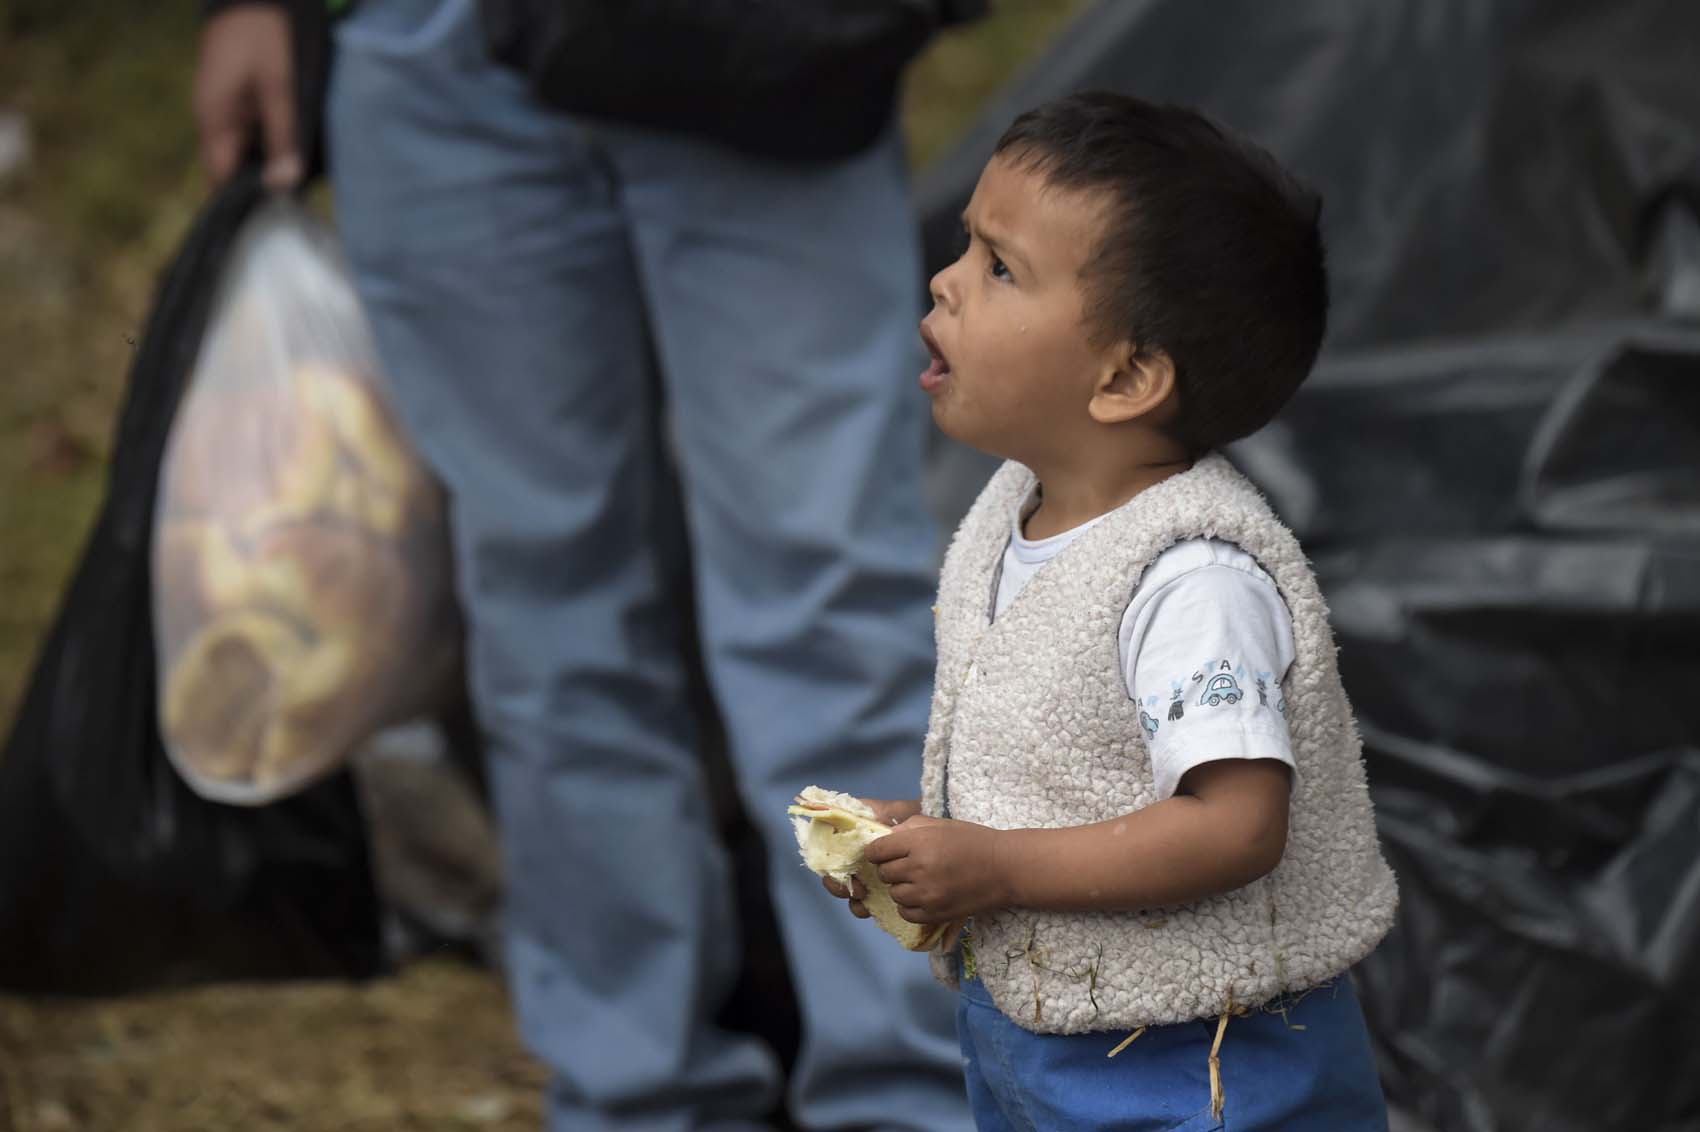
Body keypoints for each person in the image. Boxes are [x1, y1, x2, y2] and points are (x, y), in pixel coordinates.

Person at [193, 1, 980, 1129]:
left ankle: (912, 1091)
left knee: (826, 594)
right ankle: (635, 1090)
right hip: (433, 53)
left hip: (753, 51)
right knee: (542, 608)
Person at [824, 91, 1399, 1129]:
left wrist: (996, 865)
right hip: (1040, 1034)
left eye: (999, 268)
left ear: (1126, 375)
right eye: (966, 245)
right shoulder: (1013, 511)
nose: (944, 283)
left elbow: (1233, 823)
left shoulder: (1190, 582)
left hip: (1193, 1063)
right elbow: (1062, 766)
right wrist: (932, 839)